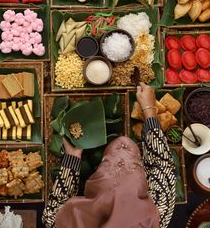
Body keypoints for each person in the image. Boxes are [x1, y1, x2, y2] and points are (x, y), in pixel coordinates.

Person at [43, 83, 176, 228]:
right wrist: (150, 110)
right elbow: (163, 165)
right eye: (137, 164)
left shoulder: (59, 220)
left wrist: (72, 158)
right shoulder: (155, 216)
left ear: (93, 191)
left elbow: (52, 214)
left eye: (104, 162)